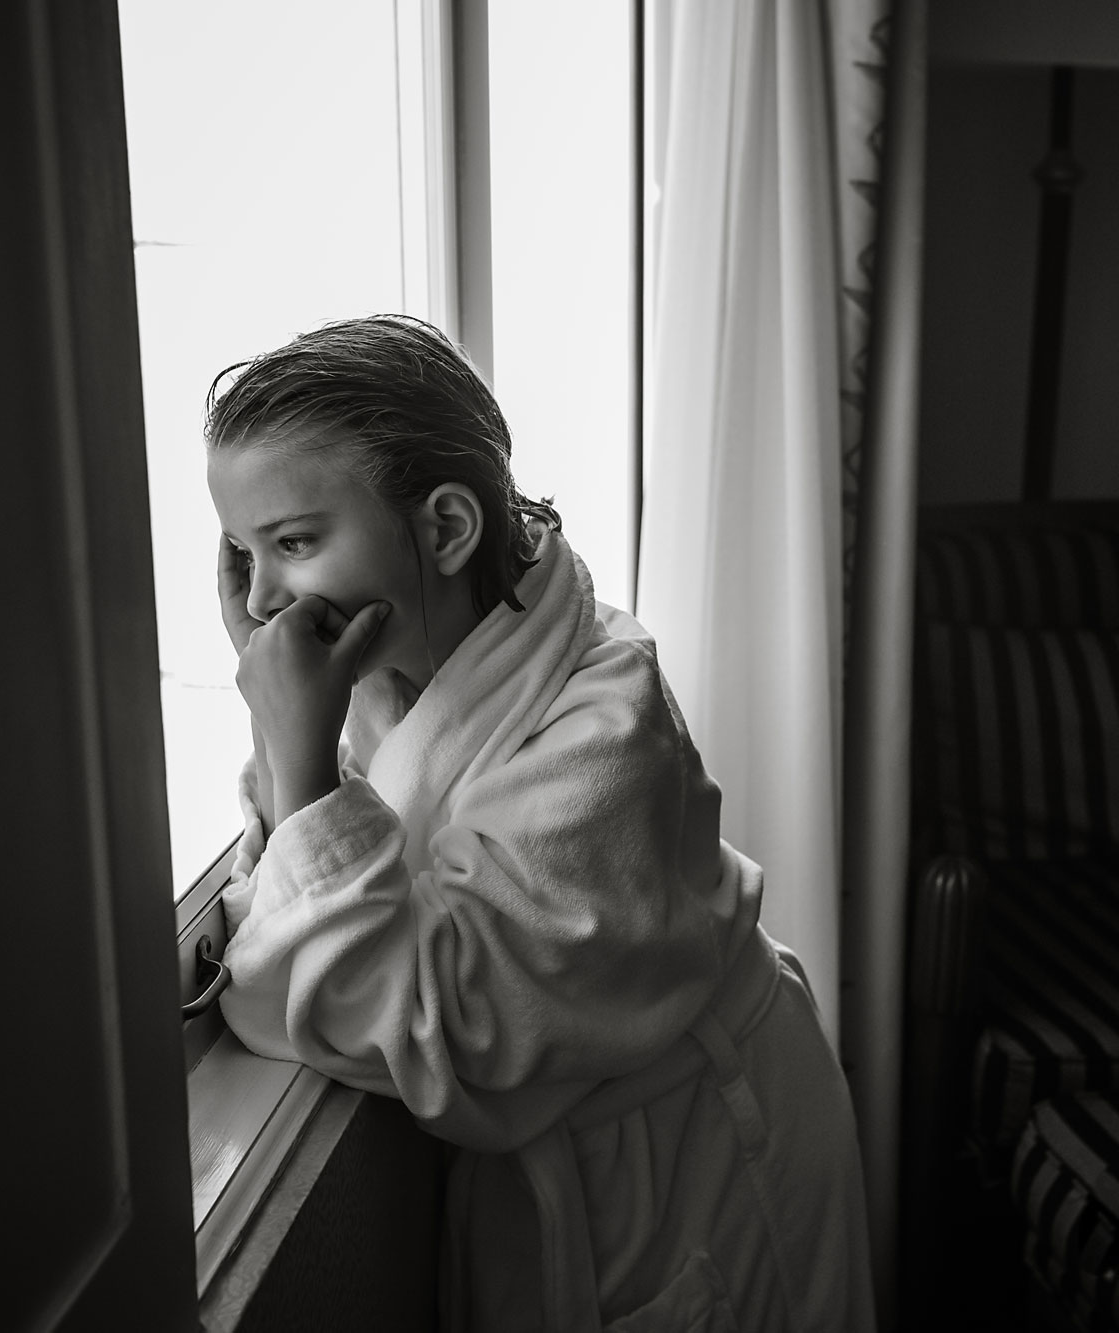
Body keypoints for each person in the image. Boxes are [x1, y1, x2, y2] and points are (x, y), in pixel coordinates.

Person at [206, 314, 874, 1332]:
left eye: (293, 542)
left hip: (689, 1159)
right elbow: (301, 931)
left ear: (442, 530)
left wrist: (294, 751)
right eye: (241, 553)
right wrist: (293, 723)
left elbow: (441, 1027)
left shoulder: (604, 735)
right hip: (578, 1157)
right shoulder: (398, 678)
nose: (258, 600)